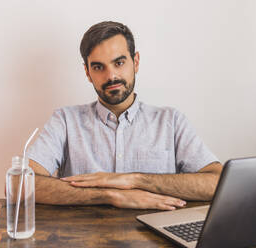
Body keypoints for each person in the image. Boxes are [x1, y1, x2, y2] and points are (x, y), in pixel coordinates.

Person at [27, 21, 222, 210]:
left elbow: (217, 182)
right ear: (87, 72)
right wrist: (109, 195)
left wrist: (135, 180)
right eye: (98, 67)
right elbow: (19, 185)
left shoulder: (171, 121)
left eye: (119, 63)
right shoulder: (65, 120)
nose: (111, 76)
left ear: (135, 62)